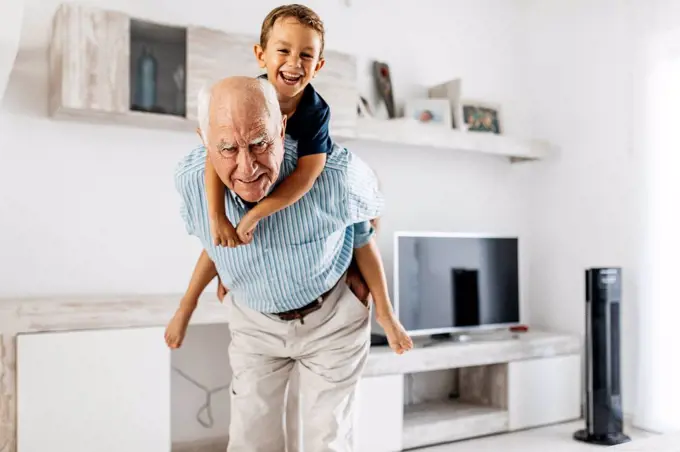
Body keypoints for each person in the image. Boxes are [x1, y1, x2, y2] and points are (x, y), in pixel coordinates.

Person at [167, 76, 411, 451]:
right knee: (251, 438)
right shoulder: (189, 183)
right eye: (228, 149)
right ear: (205, 142)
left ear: (282, 127)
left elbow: (370, 216)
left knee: (326, 439)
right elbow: (210, 246)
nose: (247, 167)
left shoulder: (335, 175)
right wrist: (187, 305)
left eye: (260, 143)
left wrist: (383, 310)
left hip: (332, 318)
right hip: (255, 321)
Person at [205, 4, 331, 248]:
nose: (294, 63)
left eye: (306, 55)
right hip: (251, 180)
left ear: (317, 67)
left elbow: (307, 175)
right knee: (219, 243)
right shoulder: (246, 97)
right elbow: (215, 154)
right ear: (261, 55)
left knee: (361, 229)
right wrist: (217, 217)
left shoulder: (316, 111)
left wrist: (255, 215)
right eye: (283, 50)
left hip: (279, 186)